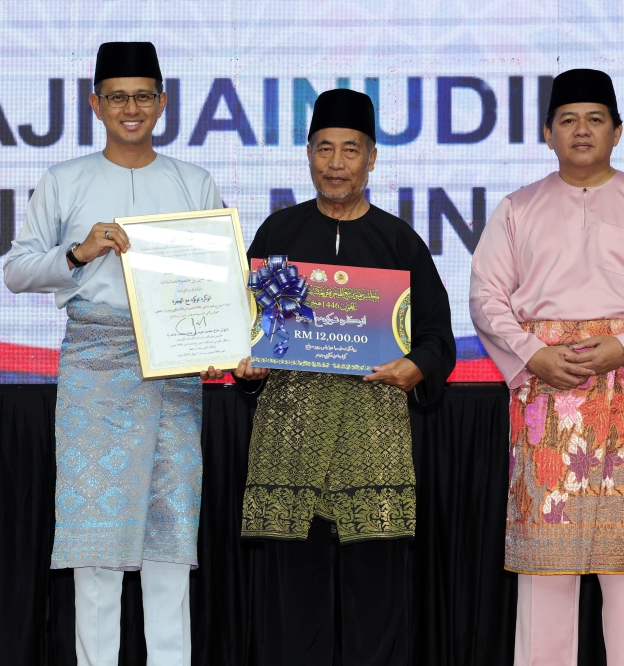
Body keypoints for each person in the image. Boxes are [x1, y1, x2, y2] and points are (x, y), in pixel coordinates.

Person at [204, 88, 456, 665]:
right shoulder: (278, 234)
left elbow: (440, 340)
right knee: (293, 608)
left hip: (373, 442)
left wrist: (415, 366)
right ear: (308, 155)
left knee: (377, 605)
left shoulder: (399, 242)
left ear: (372, 158)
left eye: (350, 150)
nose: (336, 164)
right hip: (289, 442)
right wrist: (247, 369)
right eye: (324, 149)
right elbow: (248, 336)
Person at [470, 68, 624, 666]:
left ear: (618, 132)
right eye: (568, 119)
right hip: (546, 391)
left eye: (595, 119)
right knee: (548, 564)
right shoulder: (518, 208)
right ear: (547, 132)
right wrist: (533, 355)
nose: (581, 130)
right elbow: (486, 298)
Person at [3, 42, 222, 666]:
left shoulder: (192, 180)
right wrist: (79, 253)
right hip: (94, 365)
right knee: (95, 544)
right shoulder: (66, 179)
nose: (132, 109)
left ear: (163, 101)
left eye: (144, 96)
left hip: (173, 369)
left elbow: (214, 281)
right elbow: (16, 271)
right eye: (118, 97)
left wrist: (214, 344)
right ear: (94, 103)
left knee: (169, 538)